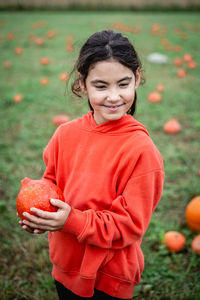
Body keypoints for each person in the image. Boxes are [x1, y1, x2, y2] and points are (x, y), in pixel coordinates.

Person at [18, 30, 165, 300]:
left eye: (123, 84)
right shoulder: (64, 135)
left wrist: (71, 220)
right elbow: (50, 190)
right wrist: (41, 216)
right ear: (82, 84)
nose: (113, 96)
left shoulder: (142, 151)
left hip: (109, 276)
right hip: (65, 266)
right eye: (101, 86)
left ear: (138, 79)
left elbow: (129, 225)